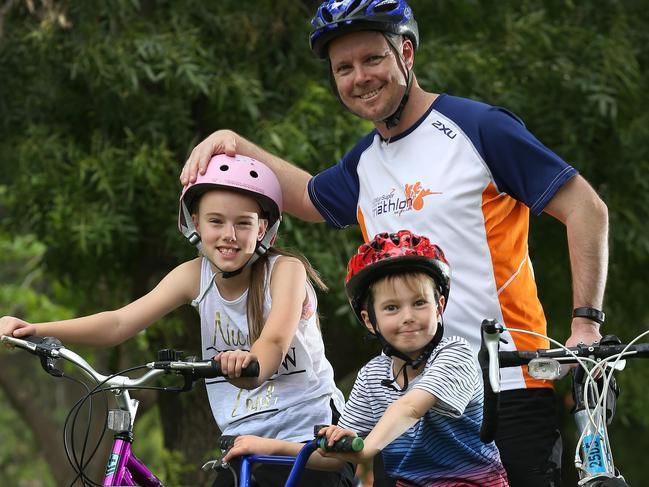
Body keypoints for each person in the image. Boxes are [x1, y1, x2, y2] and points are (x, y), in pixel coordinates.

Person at [180, 1, 609, 485]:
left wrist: (585, 323)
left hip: (505, 380)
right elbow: (308, 196)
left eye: (372, 59)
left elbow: (586, 209)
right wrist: (232, 142)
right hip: (401, 394)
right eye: (343, 68)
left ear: (406, 53)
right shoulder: (364, 162)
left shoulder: (479, 128)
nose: (359, 77)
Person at [0, 154, 353, 487]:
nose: (228, 235)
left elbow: (273, 344)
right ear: (195, 223)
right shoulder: (193, 276)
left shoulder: (284, 270)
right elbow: (120, 322)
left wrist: (250, 363)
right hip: (243, 446)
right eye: (216, 221)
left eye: (242, 223)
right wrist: (35, 330)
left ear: (262, 228)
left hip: (309, 440)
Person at [218, 230, 509, 486]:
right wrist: (269, 446)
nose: (408, 317)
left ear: (439, 306)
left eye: (419, 303)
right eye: (392, 308)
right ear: (370, 321)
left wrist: (366, 447)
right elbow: (336, 459)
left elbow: (409, 408)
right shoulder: (372, 376)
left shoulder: (455, 353)